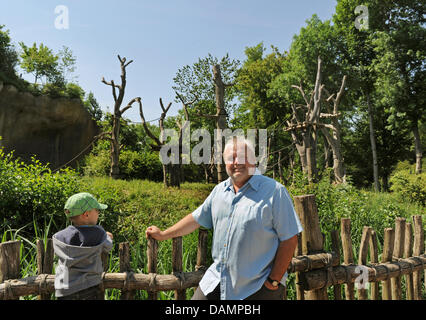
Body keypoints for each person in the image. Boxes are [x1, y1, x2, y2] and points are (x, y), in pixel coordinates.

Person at [146, 137, 303, 300]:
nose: (236, 162)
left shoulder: (275, 192)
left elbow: (289, 239)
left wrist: (273, 281)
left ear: (254, 159)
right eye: (230, 158)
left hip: (256, 288)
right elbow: (195, 219)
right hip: (216, 281)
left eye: (242, 156)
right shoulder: (219, 191)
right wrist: (164, 234)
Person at [53, 192, 113, 300]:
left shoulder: (59, 236)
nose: (98, 213)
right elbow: (108, 246)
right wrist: (108, 237)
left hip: (64, 289)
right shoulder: (99, 233)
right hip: (89, 287)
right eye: (97, 210)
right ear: (86, 214)